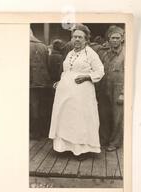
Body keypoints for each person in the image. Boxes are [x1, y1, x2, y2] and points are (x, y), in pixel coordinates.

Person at [48, 24, 105, 157]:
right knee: (66, 119)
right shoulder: (70, 53)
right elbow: (67, 71)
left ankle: (81, 150)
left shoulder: (91, 54)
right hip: (65, 95)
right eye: (74, 37)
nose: (77, 39)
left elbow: (100, 71)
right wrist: (60, 81)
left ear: (86, 39)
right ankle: (65, 148)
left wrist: (86, 77)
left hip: (82, 94)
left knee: (80, 119)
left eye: (80, 37)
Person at [97, 25, 125, 151]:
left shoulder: (126, 54)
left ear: (122, 39)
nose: (114, 40)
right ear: (108, 39)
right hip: (105, 87)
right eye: (112, 38)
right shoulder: (105, 54)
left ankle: (115, 142)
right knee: (104, 114)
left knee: (117, 116)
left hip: (118, 89)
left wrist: (123, 93)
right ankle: (104, 139)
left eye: (117, 38)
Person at [29, 29, 52, 139]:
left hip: (31, 82)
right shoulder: (43, 46)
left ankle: (35, 132)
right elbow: (48, 64)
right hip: (44, 81)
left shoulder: (24, 45)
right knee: (42, 107)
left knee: (33, 107)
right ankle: (44, 131)